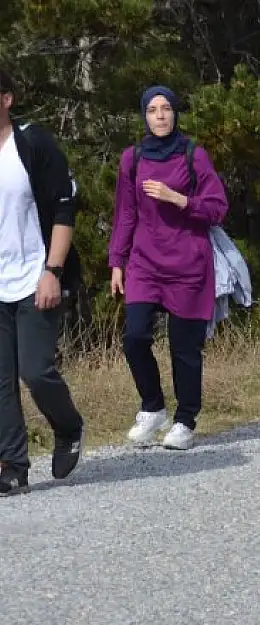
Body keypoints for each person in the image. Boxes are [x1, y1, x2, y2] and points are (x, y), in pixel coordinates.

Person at [110, 86, 229, 451]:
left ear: (175, 114)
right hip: (145, 263)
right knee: (135, 338)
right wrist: (117, 261)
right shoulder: (132, 158)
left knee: (184, 349)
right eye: (152, 110)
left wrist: (178, 199)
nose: (160, 115)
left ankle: (185, 420)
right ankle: (153, 408)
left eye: (166, 109)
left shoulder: (194, 156)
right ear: (144, 116)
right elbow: (126, 214)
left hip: (189, 264)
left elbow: (217, 208)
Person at [0, 68, 86, 493]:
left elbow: (64, 210)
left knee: (34, 371)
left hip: (37, 277)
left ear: (7, 99)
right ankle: (13, 466)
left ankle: (68, 426)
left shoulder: (33, 144)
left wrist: (52, 272)